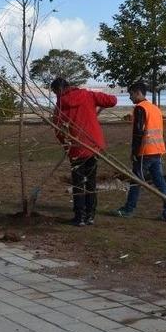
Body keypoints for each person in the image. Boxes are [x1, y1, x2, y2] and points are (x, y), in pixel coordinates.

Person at [51, 77, 118, 227]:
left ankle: (80, 216)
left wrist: (67, 148)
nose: (56, 95)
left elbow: (59, 130)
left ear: (59, 90)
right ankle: (90, 215)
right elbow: (112, 100)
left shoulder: (60, 106)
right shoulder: (87, 95)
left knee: (78, 183)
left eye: (55, 92)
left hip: (76, 148)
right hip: (94, 146)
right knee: (91, 181)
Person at [114, 82, 166, 222]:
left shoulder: (140, 108)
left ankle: (128, 209)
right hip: (157, 150)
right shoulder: (155, 108)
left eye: (131, 94)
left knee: (136, 181)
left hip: (145, 151)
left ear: (138, 92)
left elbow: (138, 133)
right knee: (160, 182)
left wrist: (134, 152)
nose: (130, 97)